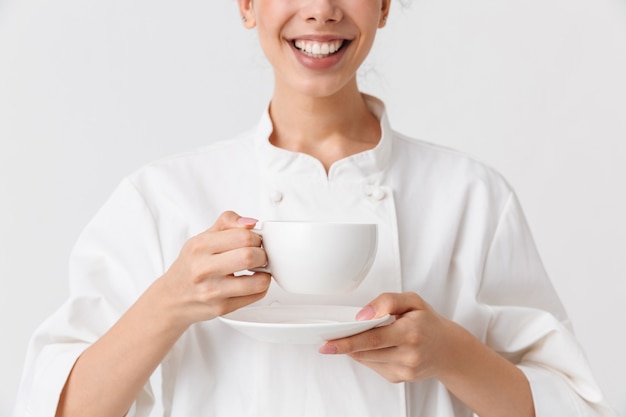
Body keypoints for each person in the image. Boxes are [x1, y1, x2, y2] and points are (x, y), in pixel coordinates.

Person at [13, 0, 618, 416]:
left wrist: (450, 354)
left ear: (384, 3)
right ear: (246, 2)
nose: (322, 7)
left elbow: (572, 406)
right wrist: (170, 301)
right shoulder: (162, 199)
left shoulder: (471, 197)